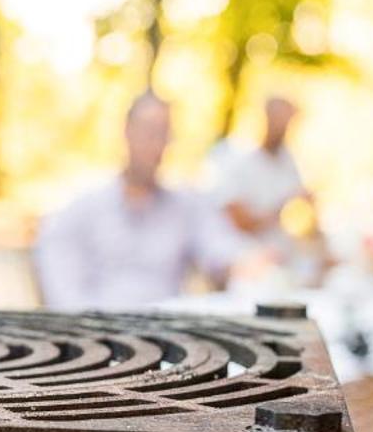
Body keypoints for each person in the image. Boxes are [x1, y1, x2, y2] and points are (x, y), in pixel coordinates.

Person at [33, 94, 238, 308]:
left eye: (164, 134)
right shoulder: (81, 209)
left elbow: (223, 251)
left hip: (166, 329)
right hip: (97, 330)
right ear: (127, 131)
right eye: (148, 131)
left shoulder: (186, 206)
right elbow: (62, 292)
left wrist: (243, 264)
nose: (155, 144)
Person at [212, 95, 311, 252]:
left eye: (288, 123)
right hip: (242, 255)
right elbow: (241, 223)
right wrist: (286, 209)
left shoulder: (286, 158)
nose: (285, 129)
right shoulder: (232, 155)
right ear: (264, 118)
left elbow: (306, 206)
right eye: (280, 121)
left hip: (284, 252)